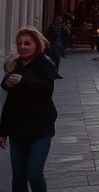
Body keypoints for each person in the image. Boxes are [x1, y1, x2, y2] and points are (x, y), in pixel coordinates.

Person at [0, 27, 58, 192]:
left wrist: (23, 81)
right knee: (18, 178)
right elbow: (10, 102)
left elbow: (47, 90)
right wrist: (3, 131)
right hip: (18, 130)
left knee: (34, 174)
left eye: (27, 43)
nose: (23, 47)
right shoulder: (15, 66)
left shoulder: (46, 65)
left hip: (41, 128)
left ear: (36, 45)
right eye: (19, 43)